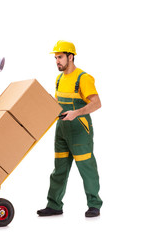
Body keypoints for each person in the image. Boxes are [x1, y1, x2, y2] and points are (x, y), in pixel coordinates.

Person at [37, 40, 103, 218]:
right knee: (59, 169)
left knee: (86, 168)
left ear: (70, 57)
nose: (57, 61)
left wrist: (77, 113)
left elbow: (97, 103)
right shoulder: (59, 79)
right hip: (61, 130)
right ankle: (54, 205)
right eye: (56, 57)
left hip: (80, 131)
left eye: (60, 57)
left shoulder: (84, 78)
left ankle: (94, 205)